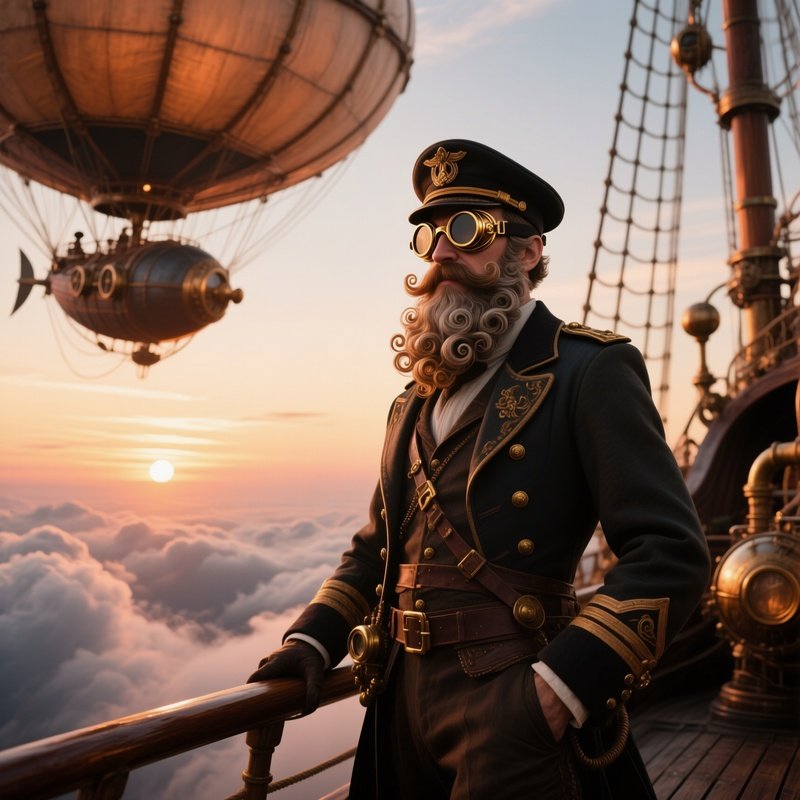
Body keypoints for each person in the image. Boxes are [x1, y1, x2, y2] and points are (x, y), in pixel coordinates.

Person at [248, 139, 711, 799]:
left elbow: (672, 552)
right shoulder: (410, 402)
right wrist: (312, 642)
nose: (441, 253)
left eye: (466, 231)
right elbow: (379, 549)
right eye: (433, 235)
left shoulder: (588, 370)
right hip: (395, 700)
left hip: (517, 693)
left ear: (527, 251)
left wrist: (555, 692)